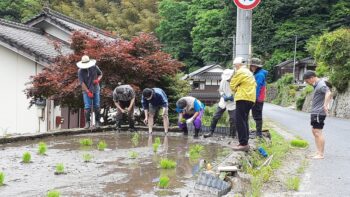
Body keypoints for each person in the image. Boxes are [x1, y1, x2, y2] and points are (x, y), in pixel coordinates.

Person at [303, 70, 332, 159]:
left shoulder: (321, 84)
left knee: (317, 132)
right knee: (315, 132)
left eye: (307, 81)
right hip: (316, 112)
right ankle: (317, 152)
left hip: (319, 112)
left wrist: (325, 104)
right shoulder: (317, 84)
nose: (307, 83)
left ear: (312, 78)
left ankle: (320, 154)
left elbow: (329, 92)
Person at [230, 57, 256, 151]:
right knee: (244, 119)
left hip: (243, 97)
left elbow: (232, 85)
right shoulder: (249, 72)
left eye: (235, 65)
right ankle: (245, 142)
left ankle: (243, 143)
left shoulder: (240, 72)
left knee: (239, 120)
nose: (235, 67)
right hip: (251, 98)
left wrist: (237, 88)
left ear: (238, 65)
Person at [204, 69, 236, 138]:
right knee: (216, 116)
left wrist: (233, 96)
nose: (228, 80)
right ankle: (210, 132)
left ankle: (232, 135)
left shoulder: (236, 81)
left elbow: (239, 91)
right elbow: (221, 90)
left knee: (233, 119)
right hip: (223, 101)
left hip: (233, 102)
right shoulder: (223, 81)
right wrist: (223, 95)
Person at [77, 55, 103, 129]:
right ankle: (87, 122)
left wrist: (98, 80)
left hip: (96, 89)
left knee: (97, 106)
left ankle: (97, 122)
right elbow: (82, 83)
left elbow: (100, 74)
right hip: (86, 90)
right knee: (87, 106)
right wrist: (88, 92)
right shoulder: (80, 71)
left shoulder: (94, 67)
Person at [250, 58, 268, 138]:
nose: (251, 67)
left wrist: (254, 98)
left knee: (257, 115)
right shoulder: (257, 73)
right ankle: (258, 132)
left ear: (256, 66)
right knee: (256, 114)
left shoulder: (259, 75)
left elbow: (257, 87)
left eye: (252, 65)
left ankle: (259, 134)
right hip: (258, 97)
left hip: (258, 98)